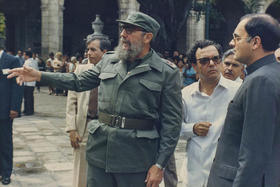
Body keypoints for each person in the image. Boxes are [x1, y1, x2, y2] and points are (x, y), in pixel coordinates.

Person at [8, 12, 182, 187]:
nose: (122, 34)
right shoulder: (109, 61)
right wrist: (39, 75)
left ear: (147, 37)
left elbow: (172, 124)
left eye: (129, 30)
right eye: (123, 29)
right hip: (100, 153)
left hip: (136, 159)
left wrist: (159, 165)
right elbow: (78, 81)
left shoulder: (166, 72)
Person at [207, 13, 280, 187]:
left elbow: (253, 155)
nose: (232, 43)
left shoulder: (261, 81)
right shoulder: (270, 74)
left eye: (237, 38)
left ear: (255, 42)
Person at [181, 40, 240, 187]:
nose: (212, 63)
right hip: (194, 172)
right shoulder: (185, 95)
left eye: (215, 58)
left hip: (227, 174)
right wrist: (192, 129)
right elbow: (173, 128)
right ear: (195, 66)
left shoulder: (238, 91)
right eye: (205, 60)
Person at [65, 36, 110, 187]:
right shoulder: (81, 69)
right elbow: (72, 101)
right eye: (87, 49)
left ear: (105, 52)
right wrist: (71, 128)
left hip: (106, 129)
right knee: (81, 172)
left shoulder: (115, 71)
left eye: (93, 50)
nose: (88, 53)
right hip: (84, 127)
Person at [0, 46, 23, 185]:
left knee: (5, 142)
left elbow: (17, 85)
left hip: (4, 109)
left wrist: (15, 107)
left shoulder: (12, 60)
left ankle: (6, 172)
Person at [23, 50, 38, 115]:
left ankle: (28, 110)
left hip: (27, 81)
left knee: (27, 97)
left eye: (24, 55)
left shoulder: (27, 62)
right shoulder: (35, 61)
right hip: (32, 81)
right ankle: (29, 109)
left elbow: (25, 71)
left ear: (27, 55)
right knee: (30, 96)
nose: (23, 56)